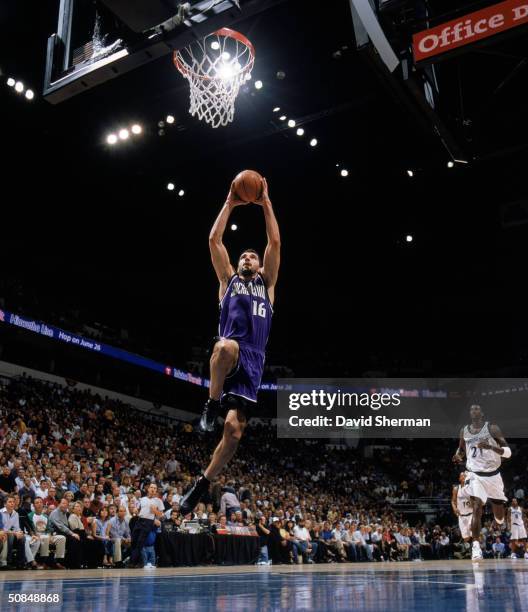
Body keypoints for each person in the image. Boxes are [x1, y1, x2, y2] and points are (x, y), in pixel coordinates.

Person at [180, 177, 280, 516]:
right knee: (224, 347)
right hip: (233, 350)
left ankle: (202, 483)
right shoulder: (228, 281)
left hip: (254, 361)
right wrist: (229, 202)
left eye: (253, 255)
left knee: (234, 432)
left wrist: (265, 202)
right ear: (237, 265)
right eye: (245, 255)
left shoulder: (267, 285)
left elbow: (275, 242)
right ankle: (211, 403)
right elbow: (213, 239)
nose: (249, 258)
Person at [453, 404, 511, 561]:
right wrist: (458, 455)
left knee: (499, 516)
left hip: (493, 476)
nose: (474, 410)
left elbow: (508, 452)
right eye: (471, 409)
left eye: (477, 408)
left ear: (482, 413)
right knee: (477, 506)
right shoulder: (464, 430)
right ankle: (476, 547)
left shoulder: (492, 428)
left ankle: (499, 518)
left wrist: (490, 446)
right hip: (474, 475)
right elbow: (461, 449)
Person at [128, 484, 164, 568]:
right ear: (148, 489)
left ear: (156, 491)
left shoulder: (158, 501)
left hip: (148, 522)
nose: (153, 489)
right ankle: (136, 561)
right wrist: (136, 510)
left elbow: (162, 515)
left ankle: (133, 563)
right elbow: (138, 509)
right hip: (139, 520)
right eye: (151, 487)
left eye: (155, 488)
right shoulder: (143, 499)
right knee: (133, 541)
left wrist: (155, 511)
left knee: (140, 543)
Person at [451, 472, 473, 544]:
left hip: (471, 514)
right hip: (461, 516)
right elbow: (453, 501)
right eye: (462, 476)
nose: (463, 477)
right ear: (459, 478)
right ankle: (469, 551)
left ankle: (476, 549)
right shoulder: (456, 489)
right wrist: (454, 508)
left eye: (465, 476)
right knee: (466, 538)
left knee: (473, 532)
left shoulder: (471, 487)